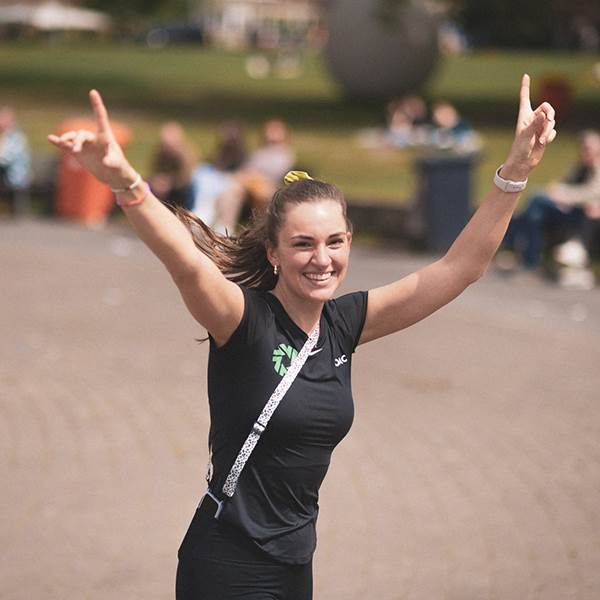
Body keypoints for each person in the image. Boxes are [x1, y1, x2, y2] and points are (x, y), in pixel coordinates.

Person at [48, 74, 556, 600]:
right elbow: (187, 264)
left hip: (295, 566)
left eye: (335, 242)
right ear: (273, 252)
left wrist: (516, 170)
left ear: (349, 242)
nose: (322, 259)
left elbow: (460, 267)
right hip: (226, 564)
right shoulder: (243, 321)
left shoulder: (345, 324)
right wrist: (127, 183)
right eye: (303, 244)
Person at [503, 129, 600, 270]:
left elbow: (592, 193)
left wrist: (564, 196)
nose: (585, 152)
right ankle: (530, 259)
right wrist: (558, 192)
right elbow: (561, 183)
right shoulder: (580, 168)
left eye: (588, 149)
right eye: (583, 148)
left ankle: (512, 245)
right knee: (535, 215)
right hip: (566, 207)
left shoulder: (597, 168)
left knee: (536, 198)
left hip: (579, 212)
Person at [149, 121, 197, 210]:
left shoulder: (185, 155)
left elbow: (186, 178)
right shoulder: (160, 152)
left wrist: (168, 183)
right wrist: (158, 180)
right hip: (166, 185)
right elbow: (155, 169)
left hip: (181, 189)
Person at [0, 107, 31, 215]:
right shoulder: (4, 135)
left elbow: (7, 158)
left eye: (2, 119)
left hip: (15, 174)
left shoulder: (16, 137)